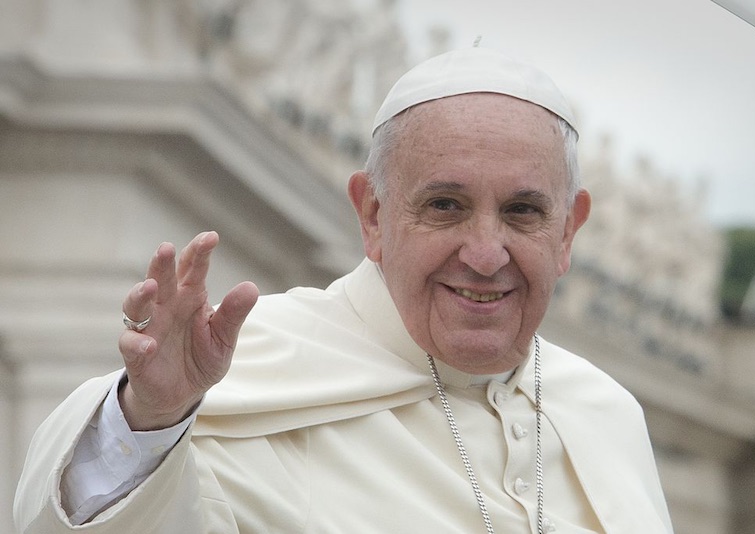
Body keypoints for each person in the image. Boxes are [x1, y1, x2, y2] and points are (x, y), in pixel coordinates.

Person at [14, 47, 673, 534]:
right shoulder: (240, 380)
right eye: (445, 205)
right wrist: (150, 421)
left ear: (569, 231)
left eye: (524, 211)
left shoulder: (605, 413)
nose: (483, 253)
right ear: (373, 216)